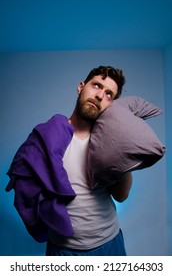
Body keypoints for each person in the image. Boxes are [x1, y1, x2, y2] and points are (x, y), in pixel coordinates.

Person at [6, 65, 132, 256]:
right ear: (81, 87)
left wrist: (124, 151)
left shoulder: (111, 141)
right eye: (96, 85)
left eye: (109, 95)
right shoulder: (47, 136)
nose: (100, 96)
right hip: (63, 250)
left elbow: (121, 195)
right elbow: (26, 185)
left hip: (108, 243)